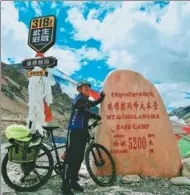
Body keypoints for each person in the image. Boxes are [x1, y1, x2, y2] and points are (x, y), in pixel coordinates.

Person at [62, 80, 105, 194]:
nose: (87, 89)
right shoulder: (79, 99)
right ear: (79, 89)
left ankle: (73, 181)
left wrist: (100, 99)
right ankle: (65, 185)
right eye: (84, 87)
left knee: (79, 158)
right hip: (74, 131)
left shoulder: (85, 100)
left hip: (82, 131)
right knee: (70, 158)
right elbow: (83, 110)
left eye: (88, 87)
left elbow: (92, 104)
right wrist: (94, 115)